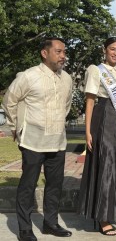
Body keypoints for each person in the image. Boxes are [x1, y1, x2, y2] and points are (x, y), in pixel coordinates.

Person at [1, 37, 73, 241]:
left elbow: (66, 105)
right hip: (33, 141)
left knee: (55, 185)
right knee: (28, 185)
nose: (63, 56)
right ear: (44, 53)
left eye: (64, 52)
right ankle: (24, 228)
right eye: (58, 52)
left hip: (58, 141)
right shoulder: (28, 76)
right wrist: (17, 128)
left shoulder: (67, 78)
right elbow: (9, 101)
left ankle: (50, 223)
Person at [78, 37, 116, 236]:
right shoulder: (95, 69)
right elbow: (90, 101)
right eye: (112, 49)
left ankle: (113, 210)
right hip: (103, 118)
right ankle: (102, 217)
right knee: (105, 165)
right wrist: (87, 131)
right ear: (104, 50)